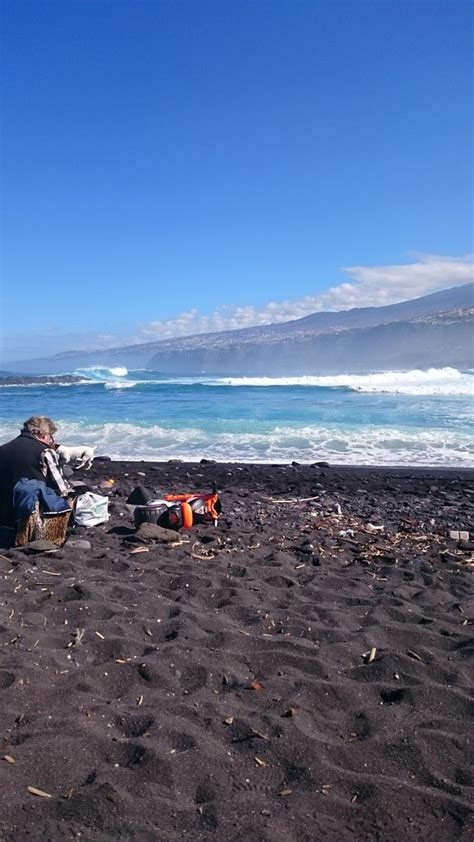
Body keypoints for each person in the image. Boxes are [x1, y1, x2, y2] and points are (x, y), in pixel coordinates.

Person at [0, 416, 73, 528]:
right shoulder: (45, 451)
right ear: (43, 435)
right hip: (31, 514)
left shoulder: (3, 449)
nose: (51, 441)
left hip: (5, 514)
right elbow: (61, 488)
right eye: (51, 437)